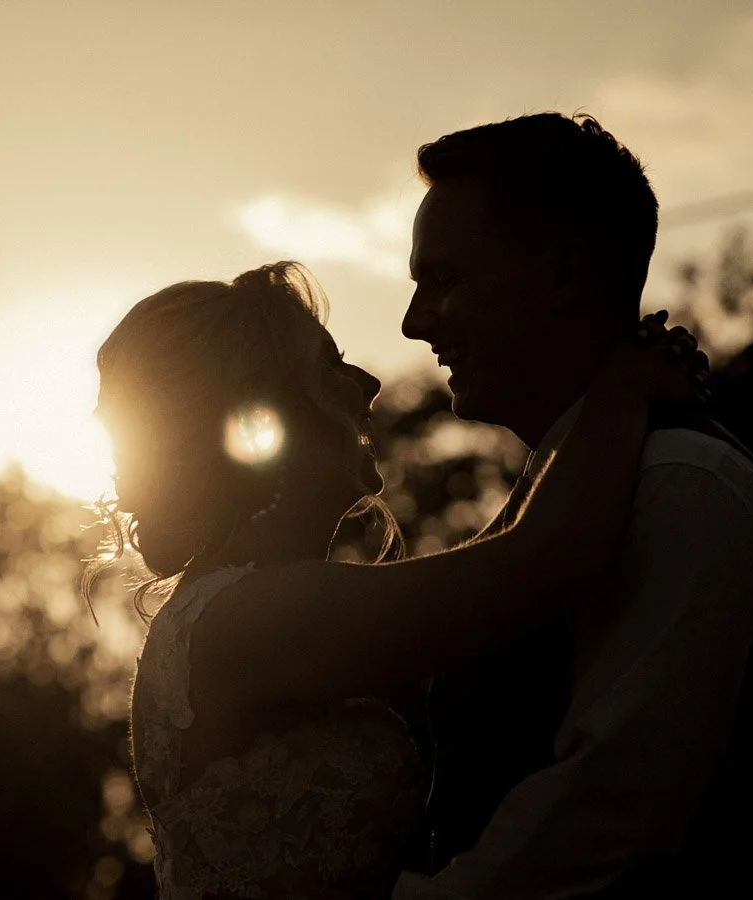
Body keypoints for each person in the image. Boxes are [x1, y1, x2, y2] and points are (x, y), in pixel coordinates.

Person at [94, 260, 706, 898]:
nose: (369, 383)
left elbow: (498, 560)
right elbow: (548, 559)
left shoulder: (250, 600)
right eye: (330, 365)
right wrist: (622, 387)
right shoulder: (247, 616)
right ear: (260, 414)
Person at [392, 113, 753, 898]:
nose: (413, 322)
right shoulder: (558, 494)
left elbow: (611, 814)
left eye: (444, 280)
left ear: (563, 276)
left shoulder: (682, 486)